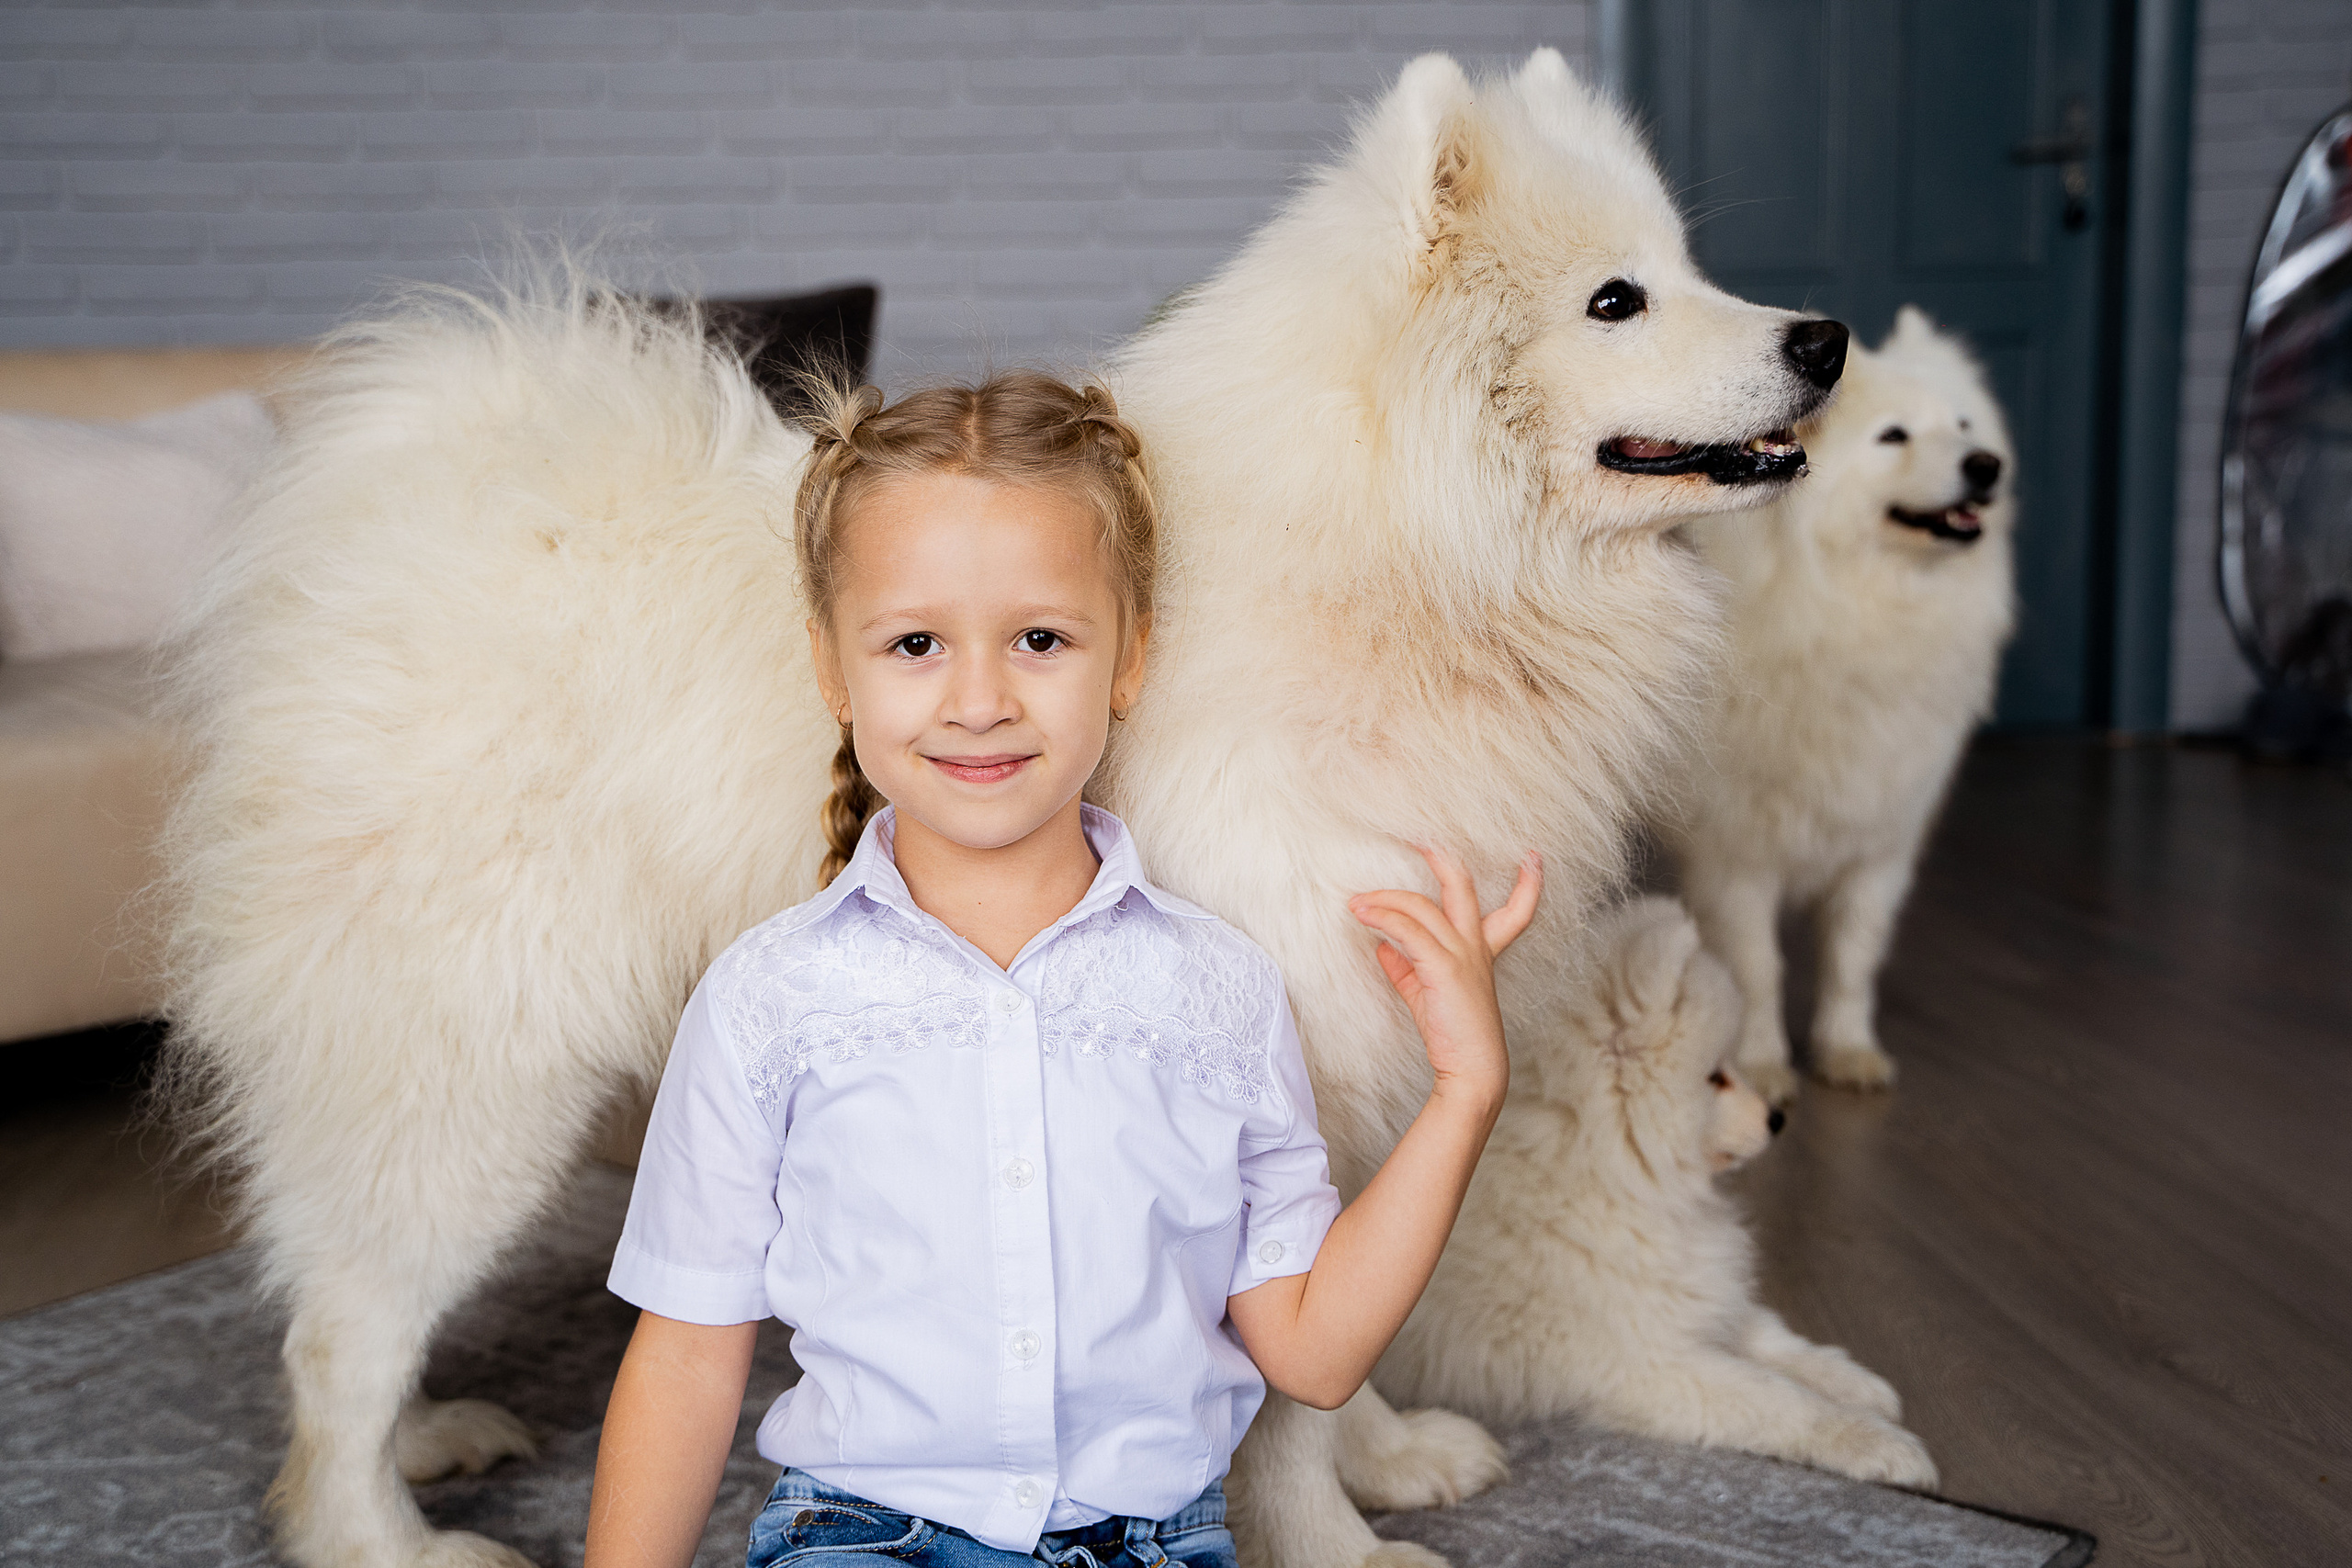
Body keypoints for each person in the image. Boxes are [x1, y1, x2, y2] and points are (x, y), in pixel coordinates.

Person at [583, 370, 1541, 1568]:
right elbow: (683, 1354)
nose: (979, 699)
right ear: (835, 668)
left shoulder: (1220, 995)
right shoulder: (767, 1002)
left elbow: (1314, 1351)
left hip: (1148, 1544)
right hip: (861, 1541)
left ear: (1127, 661)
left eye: (1040, 639)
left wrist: (1465, 1091)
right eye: (916, 643)